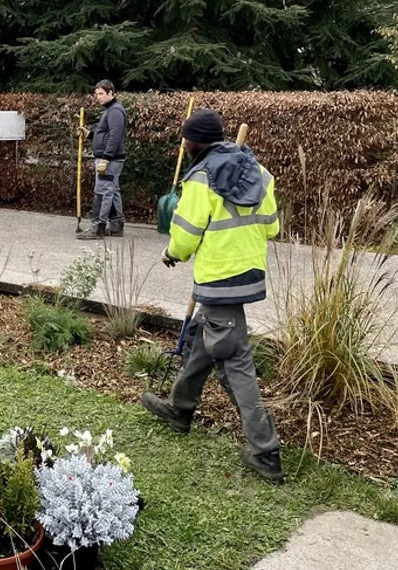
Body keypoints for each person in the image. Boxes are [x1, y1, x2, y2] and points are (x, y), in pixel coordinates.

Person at [139, 109, 284, 483]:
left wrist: (173, 252)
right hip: (246, 274)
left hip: (219, 281)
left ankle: (265, 451)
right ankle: (180, 407)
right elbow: (272, 227)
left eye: (185, 139)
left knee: (235, 363)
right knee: (205, 339)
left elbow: (186, 235)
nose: (183, 145)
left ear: (195, 142)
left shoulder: (202, 178)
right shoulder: (258, 172)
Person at [77, 79, 127, 240]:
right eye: (96, 93)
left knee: (103, 192)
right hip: (111, 158)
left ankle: (97, 228)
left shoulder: (115, 111)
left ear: (111, 93)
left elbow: (115, 136)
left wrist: (106, 158)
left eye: (101, 94)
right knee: (112, 191)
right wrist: (89, 134)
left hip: (110, 160)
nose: (98, 97)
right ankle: (116, 226)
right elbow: (105, 134)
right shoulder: (110, 110)